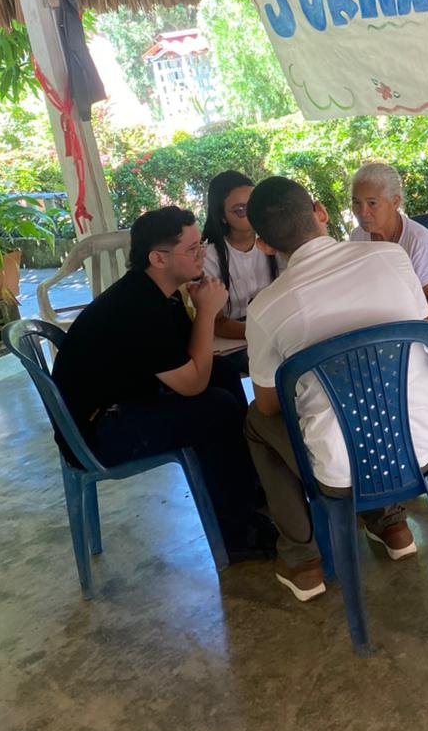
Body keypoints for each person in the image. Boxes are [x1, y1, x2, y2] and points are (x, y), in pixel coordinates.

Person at [243, 176, 428, 602]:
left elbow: (268, 403)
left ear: (262, 244)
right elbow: (420, 320)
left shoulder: (264, 309)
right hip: (424, 447)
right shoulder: (392, 258)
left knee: (255, 422)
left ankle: (303, 563)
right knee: (371, 399)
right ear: (320, 211)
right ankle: (392, 524)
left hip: (340, 474)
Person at [51, 206, 276, 561]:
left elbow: (193, 359)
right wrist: (206, 313)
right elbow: (191, 385)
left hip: (124, 401)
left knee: (224, 372)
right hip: (97, 431)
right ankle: (237, 532)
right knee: (214, 409)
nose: (202, 253)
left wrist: (197, 307)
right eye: (192, 249)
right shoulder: (138, 307)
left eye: (200, 243)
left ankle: (247, 490)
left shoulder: (161, 292)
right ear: (158, 258)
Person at [349, 161, 428, 355]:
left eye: (372, 203)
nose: (362, 212)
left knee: (392, 357)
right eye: (356, 202)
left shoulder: (419, 243)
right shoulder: (358, 237)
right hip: (383, 322)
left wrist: (396, 314)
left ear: (395, 202)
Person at [201, 170, 276, 373]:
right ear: (222, 216)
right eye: (241, 209)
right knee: (271, 366)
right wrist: (260, 333)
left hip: (272, 327)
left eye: (255, 205)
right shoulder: (210, 257)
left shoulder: (274, 241)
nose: (252, 213)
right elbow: (217, 322)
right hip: (234, 341)